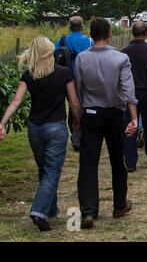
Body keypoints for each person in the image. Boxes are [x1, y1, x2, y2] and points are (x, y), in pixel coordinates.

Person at [0, 37, 82, 231]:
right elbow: (74, 102)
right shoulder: (64, 73)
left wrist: (2, 122)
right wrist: (78, 121)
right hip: (56, 127)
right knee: (52, 171)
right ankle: (38, 211)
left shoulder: (29, 75)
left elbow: (15, 102)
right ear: (50, 51)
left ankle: (51, 209)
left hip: (35, 128)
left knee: (44, 170)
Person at [74, 17, 138, 229]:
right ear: (110, 33)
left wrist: (78, 117)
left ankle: (89, 211)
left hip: (91, 113)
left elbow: (79, 90)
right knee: (117, 161)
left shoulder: (82, 59)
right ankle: (119, 204)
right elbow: (128, 90)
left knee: (88, 163)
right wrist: (134, 117)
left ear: (90, 35)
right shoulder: (120, 58)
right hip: (114, 112)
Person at [120, 21, 147, 172]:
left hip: (128, 93)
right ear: (146, 34)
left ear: (132, 33)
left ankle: (131, 162)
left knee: (130, 126)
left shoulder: (123, 51)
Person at [54, 16, 93, 151]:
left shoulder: (62, 40)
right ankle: (82, 134)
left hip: (65, 77)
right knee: (82, 104)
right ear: (82, 27)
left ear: (69, 27)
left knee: (69, 105)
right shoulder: (89, 41)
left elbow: (54, 55)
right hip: (84, 77)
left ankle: (73, 133)